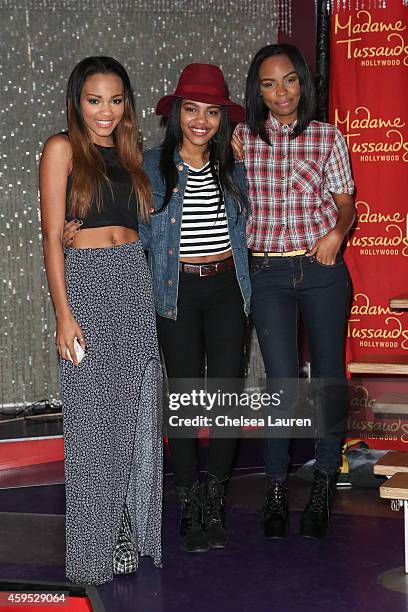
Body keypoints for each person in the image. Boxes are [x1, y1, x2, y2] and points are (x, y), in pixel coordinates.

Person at [39, 56, 162, 585]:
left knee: (136, 418)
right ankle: (95, 542)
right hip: (88, 287)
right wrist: (63, 315)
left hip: (133, 283)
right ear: (77, 101)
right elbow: (50, 239)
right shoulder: (61, 148)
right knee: (94, 422)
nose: (105, 111)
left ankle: (128, 529)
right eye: (94, 100)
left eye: (115, 100)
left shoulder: (133, 155)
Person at [234, 44, 355, 539]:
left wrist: (336, 233)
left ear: (304, 83)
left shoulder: (327, 138)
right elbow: (183, 155)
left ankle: (325, 482)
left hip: (321, 270)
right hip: (268, 276)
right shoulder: (240, 137)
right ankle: (278, 486)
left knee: (327, 380)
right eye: (268, 83)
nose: (280, 92)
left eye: (289, 80)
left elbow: (345, 204)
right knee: (282, 384)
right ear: (256, 90)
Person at [143, 64, 250, 552]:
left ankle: (215, 495)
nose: (201, 121)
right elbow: (129, 226)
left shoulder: (236, 168)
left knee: (226, 397)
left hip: (229, 287)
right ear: (177, 115)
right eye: (192, 110)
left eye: (211, 111)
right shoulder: (151, 166)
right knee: (184, 399)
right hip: (177, 292)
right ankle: (189, 499)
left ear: (222, 119)